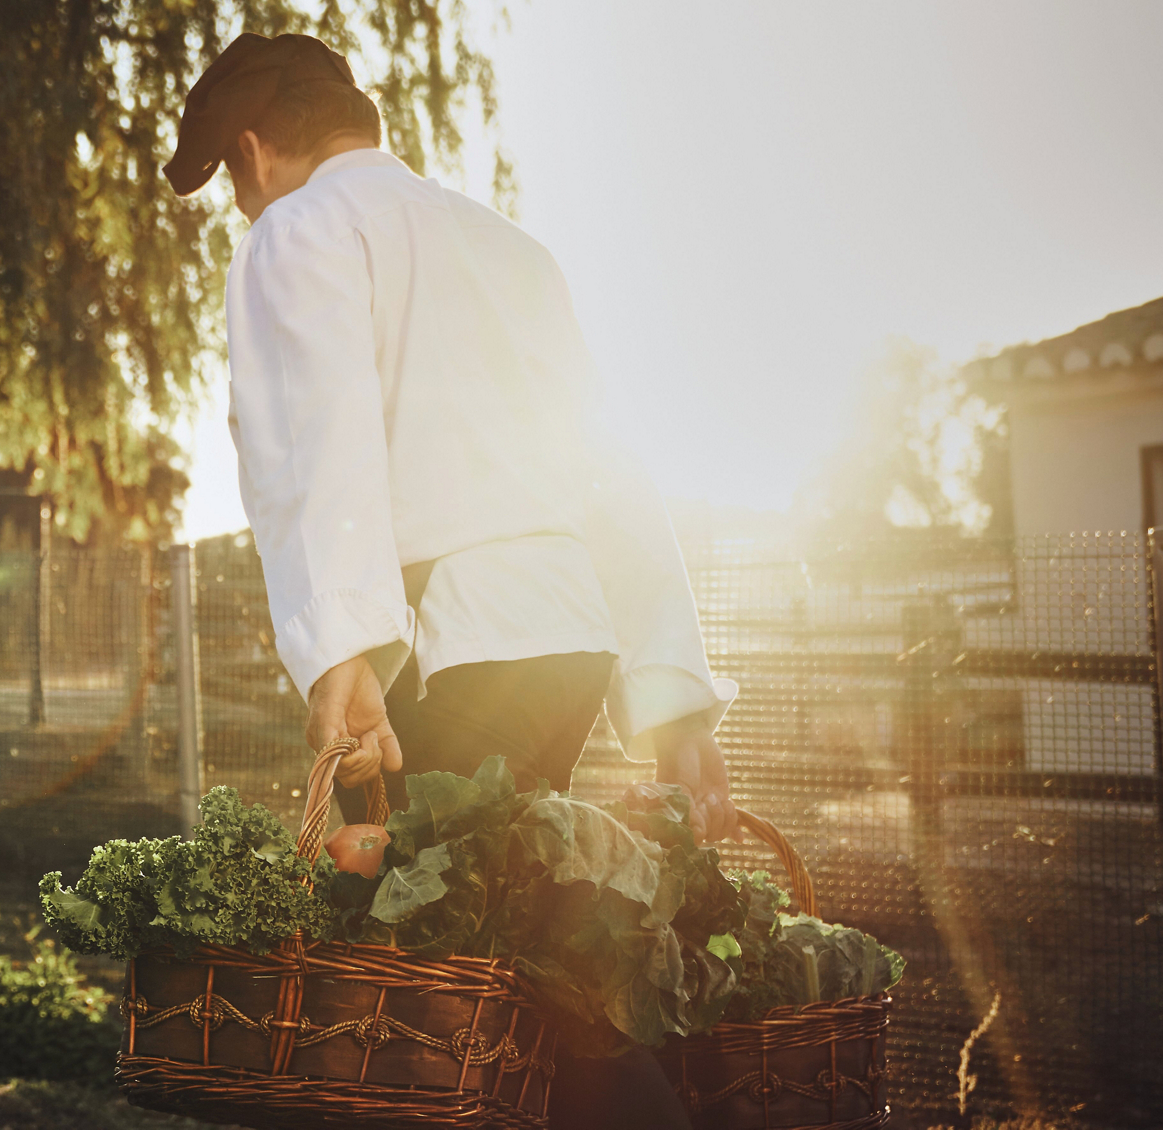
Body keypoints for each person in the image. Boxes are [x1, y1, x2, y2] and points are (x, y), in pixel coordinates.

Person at [163, 31, 741, 1130]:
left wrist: (344, 652)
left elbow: (315, 440)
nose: (241, 208)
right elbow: (611, 464)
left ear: (251, 151)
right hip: (564, 636)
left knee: (403, 998)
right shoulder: (511, 248)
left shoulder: (301, 228)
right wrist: (668, 690)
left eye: (231, 183)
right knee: (511, 966)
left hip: (444, 647)